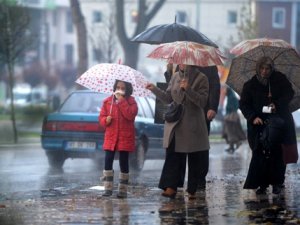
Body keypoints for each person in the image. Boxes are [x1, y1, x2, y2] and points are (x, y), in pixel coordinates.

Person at [146, 64, 209, 200]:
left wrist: (189, 89)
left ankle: (192, 189)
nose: (181, 62)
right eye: (179, 59)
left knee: (194, 157)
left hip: (192, 124)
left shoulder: (201, 78)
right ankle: (171, 186)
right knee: (172, 153)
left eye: (184, 59)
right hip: (175, 123)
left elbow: (203, 102)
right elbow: (168, 98)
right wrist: (154, 89)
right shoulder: (175, 76)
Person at [239, 56, 297, 195]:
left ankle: (277, 182)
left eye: (267, 68)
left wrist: (276, 103)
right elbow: (244, 104)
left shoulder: (280, 79)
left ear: (271, 69)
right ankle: (262, 183)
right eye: (262, 68)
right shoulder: (250, 84)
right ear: (258, 69)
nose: (265, 71)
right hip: (259, 125)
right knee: (260, 154)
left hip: (278, 123)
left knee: (278, 154)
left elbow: (289, 93)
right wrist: (253, 117)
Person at [99, 80, 138, 198]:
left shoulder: (131, 102)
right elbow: (101, 118)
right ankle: (108, 189)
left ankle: (122, 190)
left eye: (123, 87)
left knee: (123, 162)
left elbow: (130, 115)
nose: (120, 89)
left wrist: (122, 102)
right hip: (111, 136)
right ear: (114, 87)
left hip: (125, 137)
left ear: (127, 89)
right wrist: (106, 120)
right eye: (118, 87)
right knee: (108, 161)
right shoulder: (107, 102)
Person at [222, 86, 246, 153]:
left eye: (225, 90)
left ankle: (237, 143)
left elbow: (234, 106)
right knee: (229, 131)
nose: (224, 92)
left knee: (231, 131)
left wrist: (231, 111)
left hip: (231, 117)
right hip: (231, 116)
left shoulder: (232, 97)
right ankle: (232, 146)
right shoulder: (230, 97)